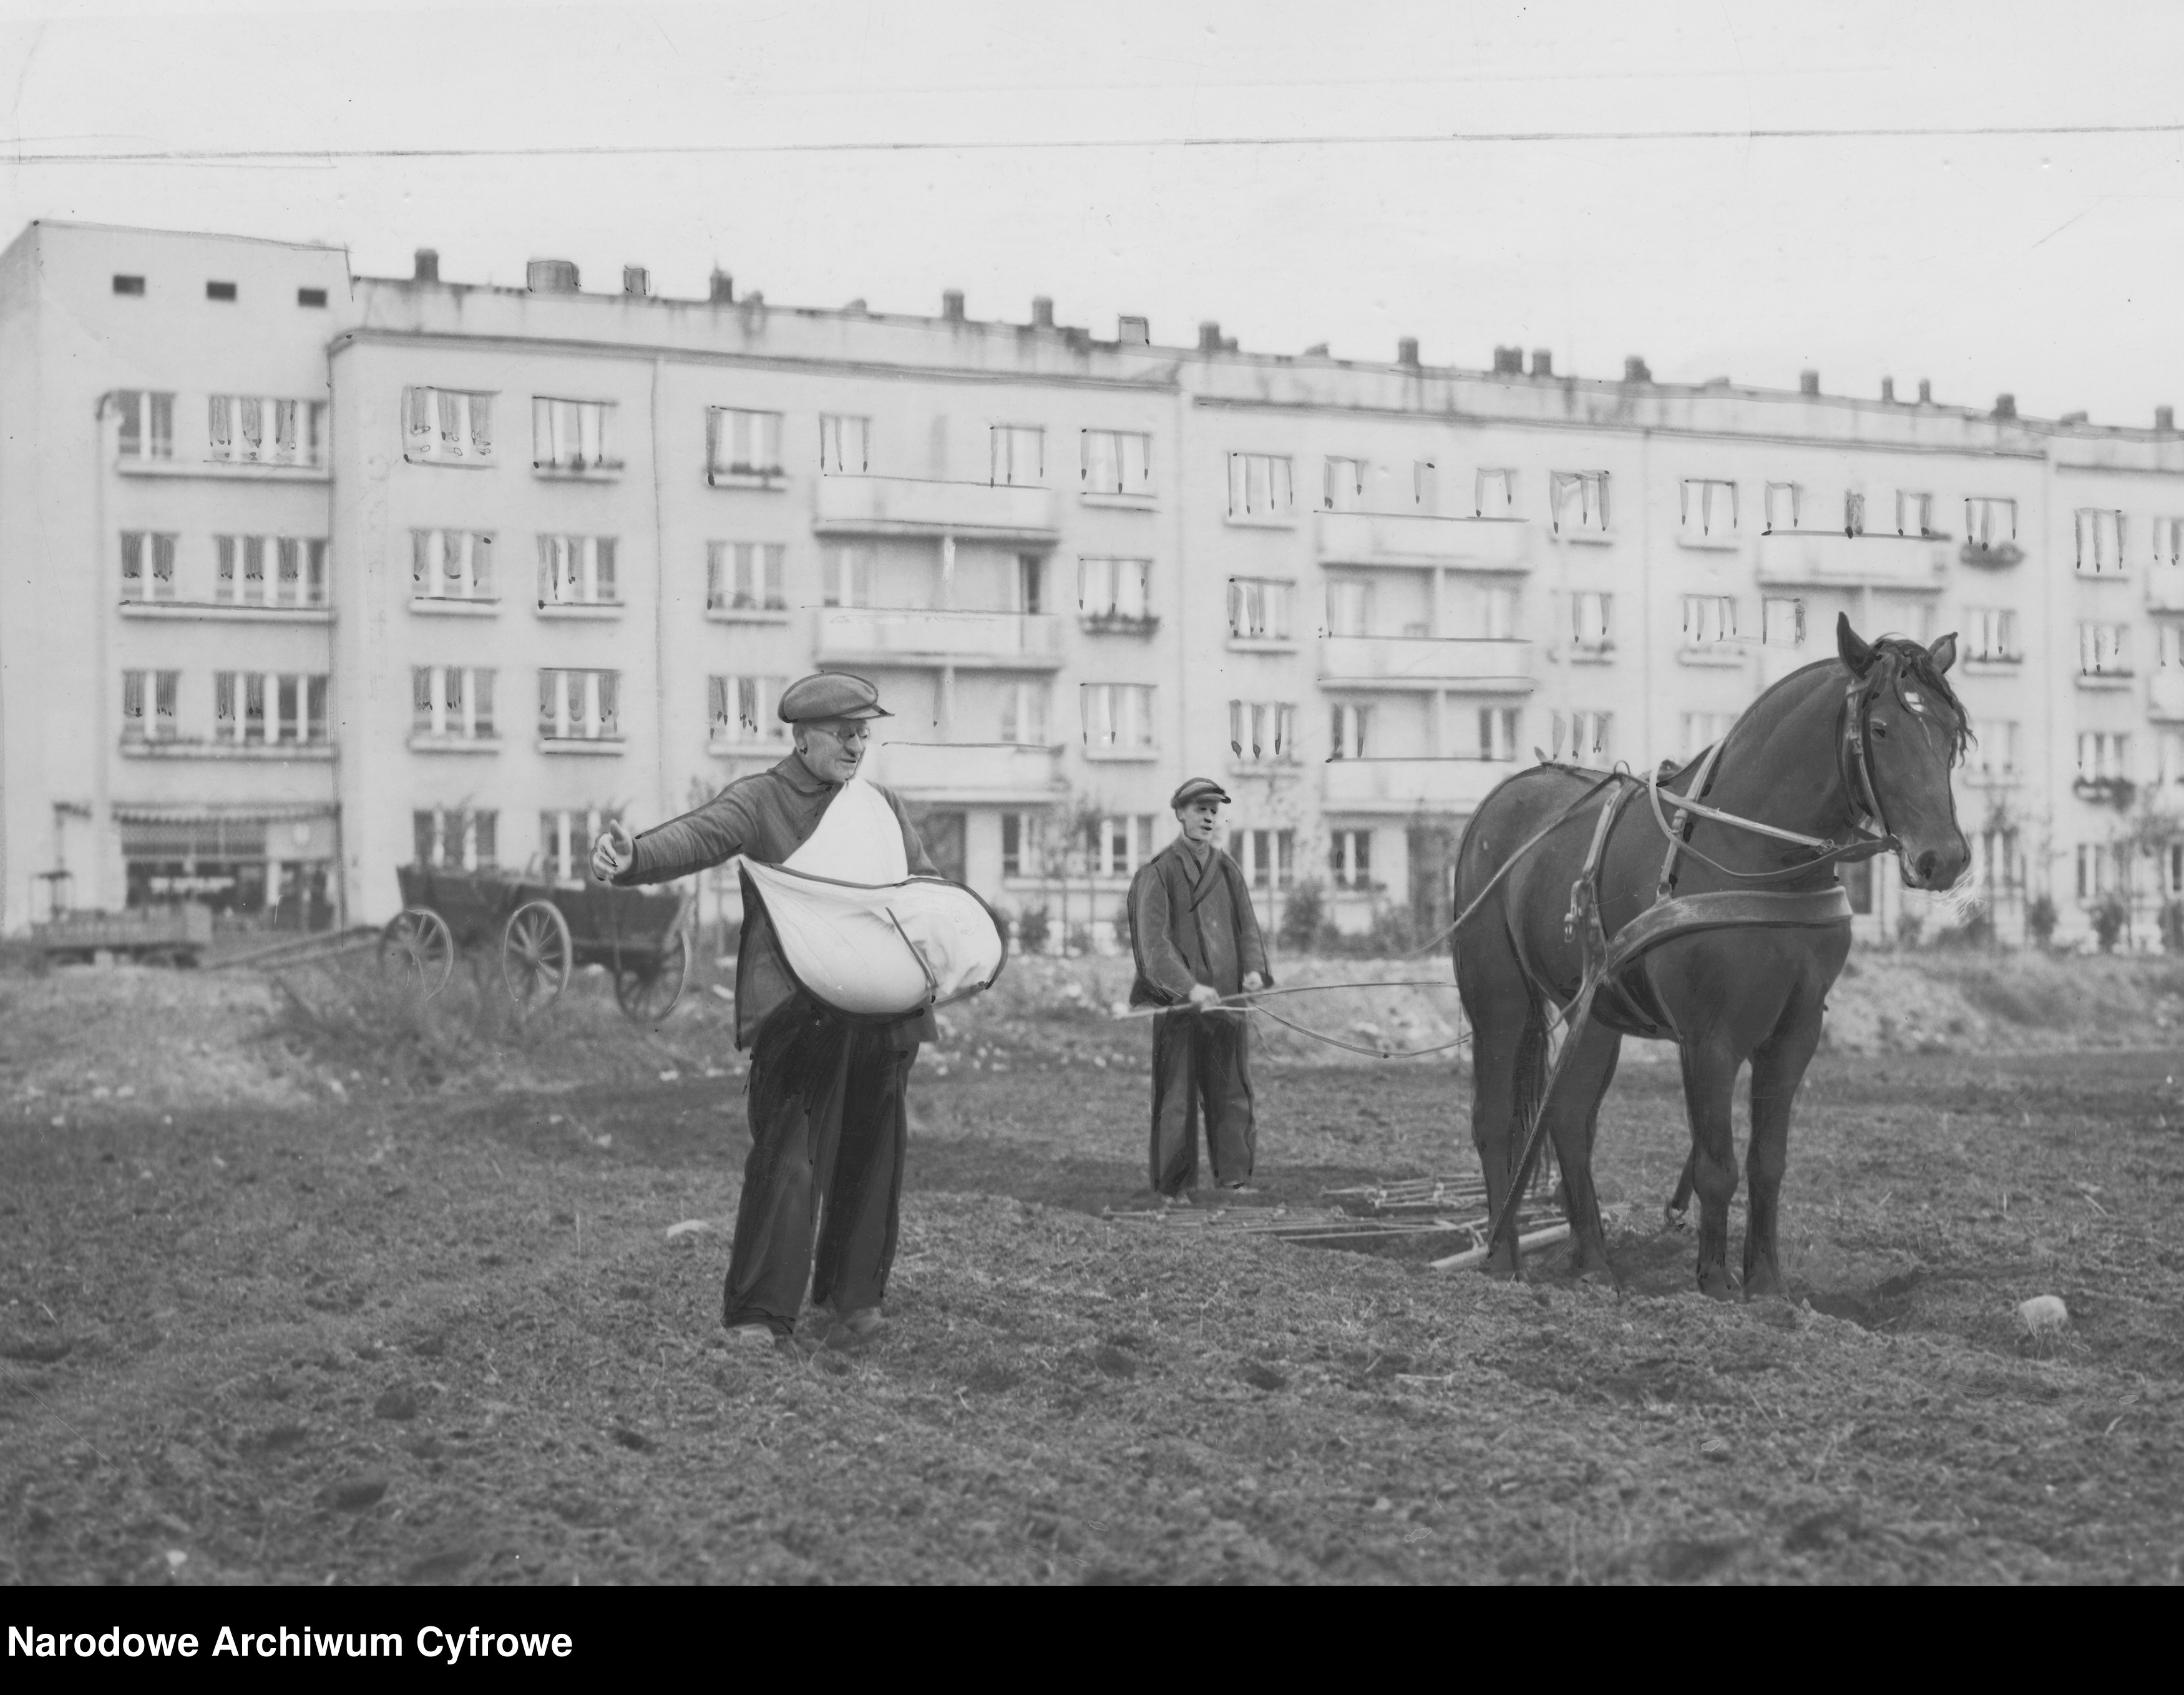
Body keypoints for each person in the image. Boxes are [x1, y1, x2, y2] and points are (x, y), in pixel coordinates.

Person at [590, 672, 937, 1357]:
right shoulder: (762, 801)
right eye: (844, 732)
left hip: (883, 1018)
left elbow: (924, 884)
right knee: (790, 1160)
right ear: (803, 737)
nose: (856, 743)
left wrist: (952, 941)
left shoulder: (880, 806)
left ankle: (852, 1302)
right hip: (801, 1017)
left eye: (863, 732)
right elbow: (699, 835)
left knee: (872, 1161)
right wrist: (633, 858)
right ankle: (758, 1314)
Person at [1124, 778, 1272, 1199]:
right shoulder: (1158, 873)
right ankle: (1174, 1187)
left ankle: (1236, 1178)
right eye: (1200, 809)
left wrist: (1254, 972)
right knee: (1177, 1097)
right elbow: (1154, 950)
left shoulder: (1228, 870)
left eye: (1214, 810)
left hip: (1227, 1003)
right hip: (1180, 1008)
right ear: (1180, 814)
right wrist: (1190, 989)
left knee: (1233, 1092)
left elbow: (1248, 930)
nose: (1208, 817)